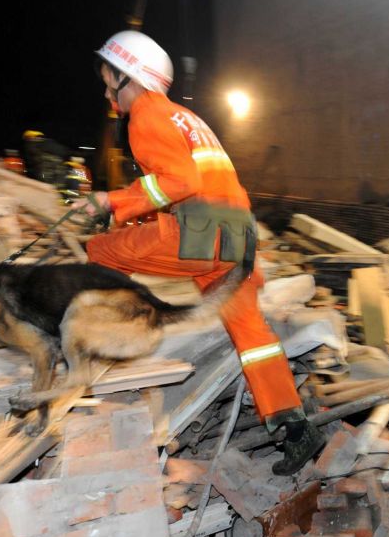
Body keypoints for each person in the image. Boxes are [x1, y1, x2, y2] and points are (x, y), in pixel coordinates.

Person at [75, 30, 324, 475]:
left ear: (127, 76)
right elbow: (186, 184)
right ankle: (295, 428)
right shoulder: (185, 118)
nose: (106, 92)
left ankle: (91, 347)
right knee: (251, 334)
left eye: (108, 79)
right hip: (238, 234)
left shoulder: (146, 115)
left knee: (101, 250)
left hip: (201, 233)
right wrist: (128, 211)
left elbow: (178, 182)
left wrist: (109, 202)